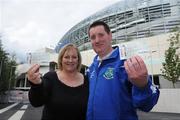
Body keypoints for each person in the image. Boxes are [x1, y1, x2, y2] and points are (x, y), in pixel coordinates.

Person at [86, 21, 160, 120]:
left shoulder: (126, 64)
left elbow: (147, 105)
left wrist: (143, 85)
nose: (97, 40)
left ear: (110, 36)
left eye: (101, 35)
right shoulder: (91, 69)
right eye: (93, 37)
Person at [27, 43, 89, 120]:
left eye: (74, 57)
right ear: (61, 59)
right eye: (66, 57)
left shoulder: (87, 81)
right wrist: (36, 85)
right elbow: (36, 102)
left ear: (78, 60)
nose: (70, 60)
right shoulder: (50, 78)